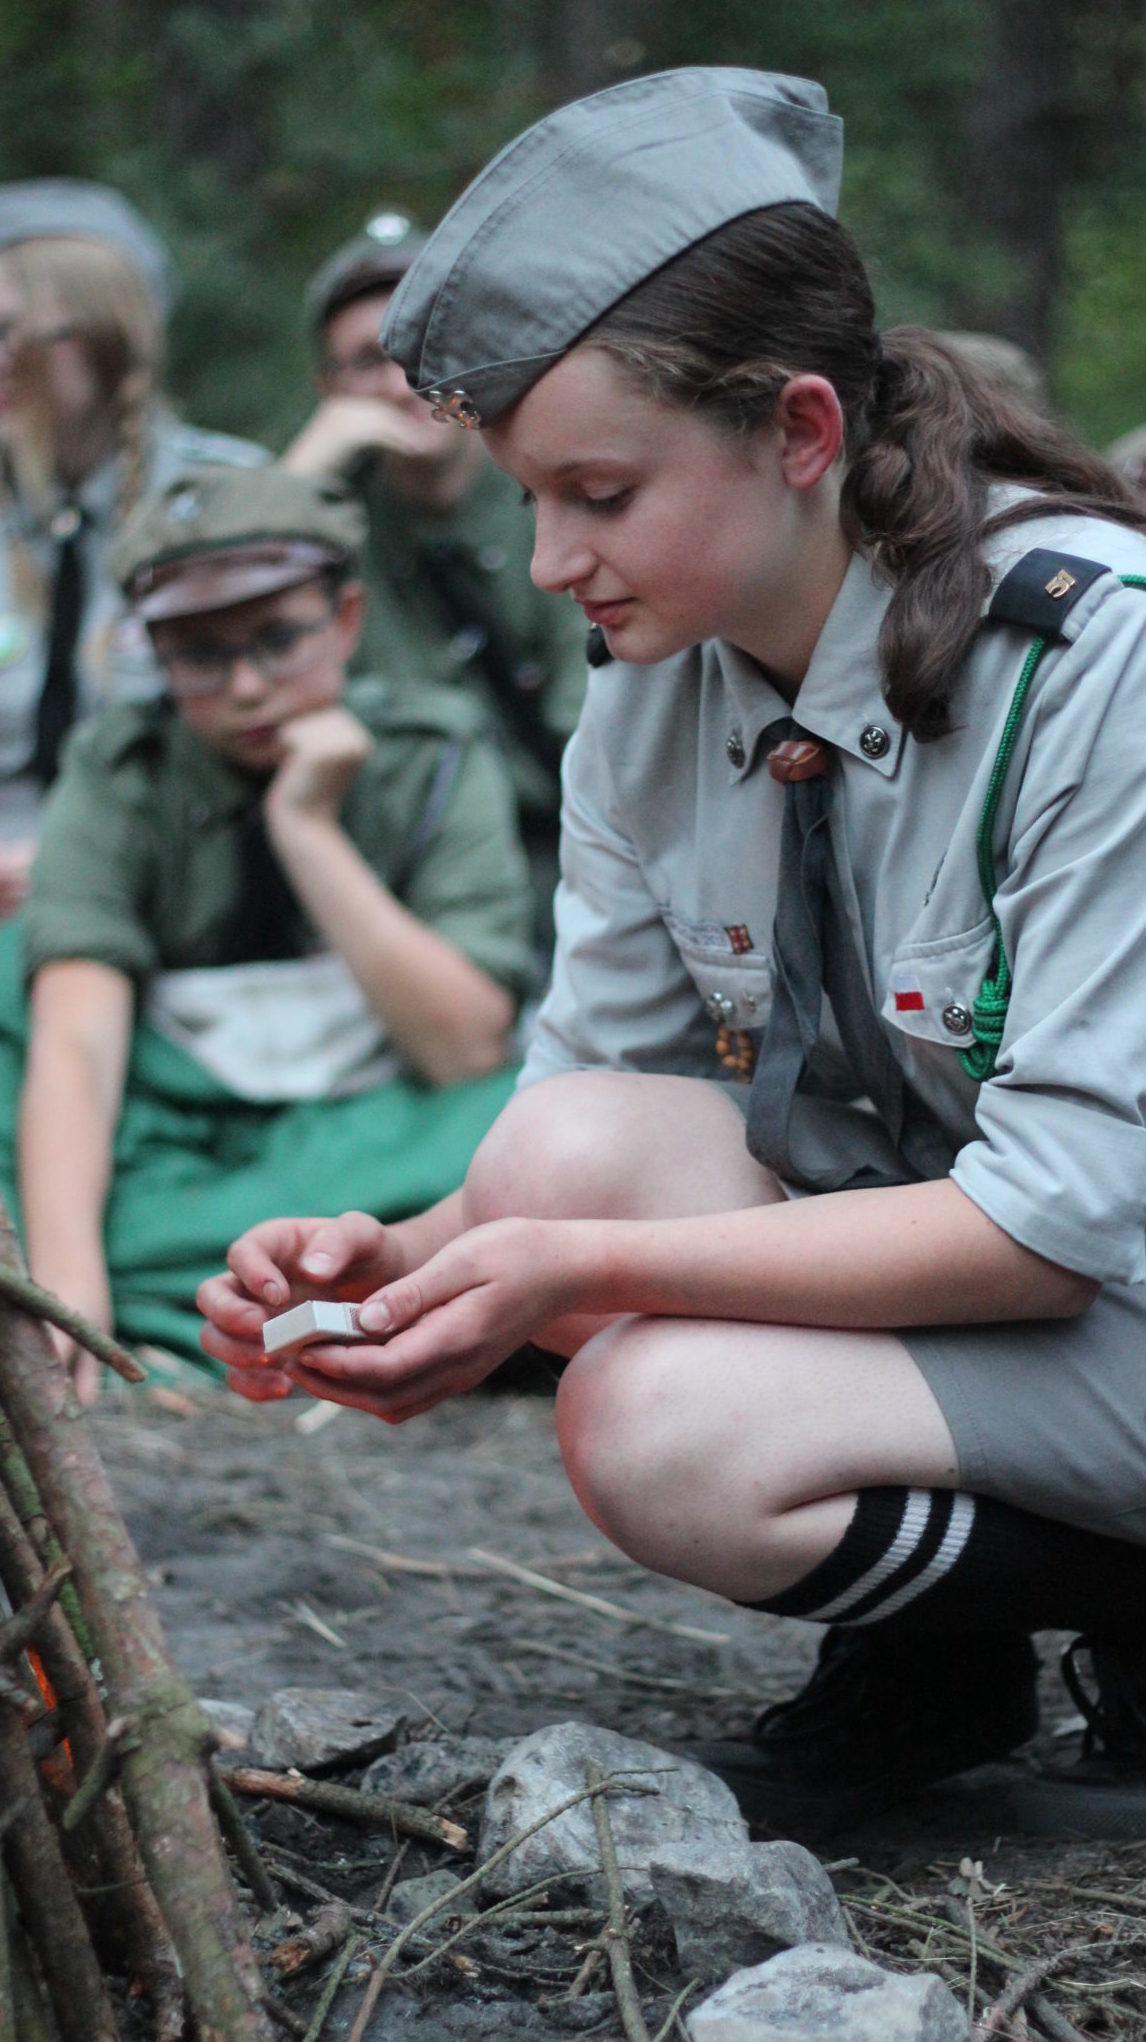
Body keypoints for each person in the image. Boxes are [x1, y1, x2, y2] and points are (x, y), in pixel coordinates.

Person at [199, 68, 1146, 1834]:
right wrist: (380, 1275)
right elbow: (589, 1126)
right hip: (1000, 1294)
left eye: (601, 494)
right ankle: (941, 1661)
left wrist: (549, 1272)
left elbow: (1052, 1223)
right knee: (551, 1152)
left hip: (1116, 1294)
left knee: (654, 1420)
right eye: (529, 502)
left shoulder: (1090, 663)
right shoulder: (652, 692)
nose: (554, 561)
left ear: (798, 430)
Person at [16, 463, 533, 1400]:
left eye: (279, 640)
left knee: (527, 1141)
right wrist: (69, 1292)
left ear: (345, 619)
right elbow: (79, 1042)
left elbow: (463, 1046)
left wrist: (310, 830)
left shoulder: (435, 751)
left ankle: (261, 1282)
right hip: (178, 1123)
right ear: (156, 654)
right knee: (18, 1011)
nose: (247, 686)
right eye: (199, 655)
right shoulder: (122, 768)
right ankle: (269, 1290)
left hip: (392, 1120)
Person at [283, 212, 589, 959]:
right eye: (366, 361)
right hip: (402, 879)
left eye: (423, 348)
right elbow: (206, 631)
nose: (398, 384)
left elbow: (603, 737)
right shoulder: (317, 525)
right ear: (330, 389)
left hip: (573, 861)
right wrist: (297, 479)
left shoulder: (561, 488)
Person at [0, 181, 267, 919]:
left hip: (168, 892)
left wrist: (73, 864)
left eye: (10, 332)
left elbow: (262, 738)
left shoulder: (223, 496)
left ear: (103, 336)